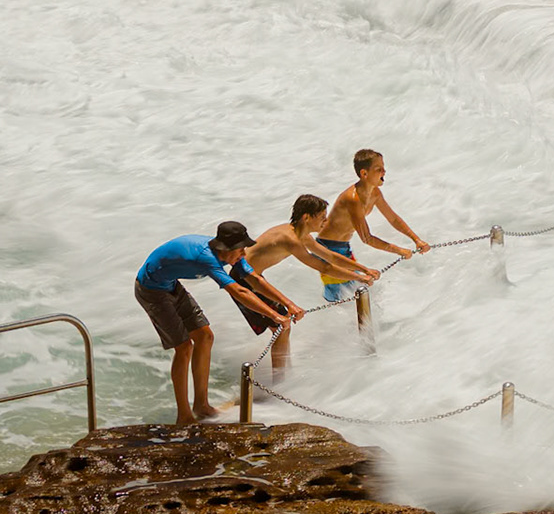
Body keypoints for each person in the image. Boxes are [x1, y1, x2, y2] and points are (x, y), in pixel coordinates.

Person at [133, 221, 289, 424]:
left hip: (171, 285)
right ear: (227, 248)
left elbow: (255, 280)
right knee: (184, 347)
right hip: (150, 290)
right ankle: (184, 415)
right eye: (241, 249)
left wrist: (289, 305)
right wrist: (275, 316)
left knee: (205, 336)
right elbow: (239, 291)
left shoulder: (232, 256)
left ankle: (202, 406)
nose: (244, 254)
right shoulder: (207, 258)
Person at [233, 194, 383, 376]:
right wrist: (359, 278)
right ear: (306, 217)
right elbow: (323, 266)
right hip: (243, 280)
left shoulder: (302, 235)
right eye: (321, 217)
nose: (326, 221)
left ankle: (282, 376)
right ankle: (279, 381)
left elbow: (331, 256)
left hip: (256, 278)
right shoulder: (289, 239)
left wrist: (364, 269)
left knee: (282, 327)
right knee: (281, 327)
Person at [315, 149, 431, 303]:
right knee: (340, 296)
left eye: (383, 167)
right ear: (364, 174)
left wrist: (416, 240)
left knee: (357, 288)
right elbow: (367, 238)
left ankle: (357, 323)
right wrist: (398, 250)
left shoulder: (375, 193)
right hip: (327, 248)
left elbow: (393, 219)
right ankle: (330, 322)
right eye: (379, 169)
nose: (384, 171)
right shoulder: (353, 199)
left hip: (343, 247)